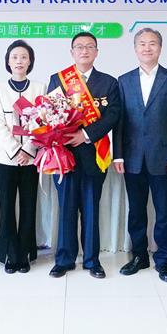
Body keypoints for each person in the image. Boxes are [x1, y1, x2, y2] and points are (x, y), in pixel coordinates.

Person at [112, 28, 167, 283]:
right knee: (136, 211)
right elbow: (119, 121)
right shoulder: (124, 80)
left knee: (164, 212)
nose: (147, 48)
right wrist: (118, 155)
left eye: (152, 43)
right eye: (142, 44)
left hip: (163, 158)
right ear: (135, 49)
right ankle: (139, 256)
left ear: (160, 48)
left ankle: (163, 260)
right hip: (132, 158)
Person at [47, 32, 121, 279]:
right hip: (64, 156)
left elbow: (113, 115)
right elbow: (48, 114)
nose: (84, 50)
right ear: (72, 52)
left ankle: (91, 260)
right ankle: (64, 259)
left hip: (94, 155)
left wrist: (86, 135)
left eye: (90, 47)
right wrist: (68, 136)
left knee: (90, 209)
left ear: (97, 52)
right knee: (66, 209)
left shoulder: (109, 83)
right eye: (79, 47)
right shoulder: (58, 79)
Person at [0, 40, 46, 274]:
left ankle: (24, 254)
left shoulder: (40, 88)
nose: (19, 61)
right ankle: (10, 255)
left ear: (30, 61)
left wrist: (28, 150)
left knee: (29, 206)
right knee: (7, 207)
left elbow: (43, 123)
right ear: (8, 61)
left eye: (24, 57)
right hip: (6, 158)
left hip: (31, 159)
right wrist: (15, 151)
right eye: (14, 57)